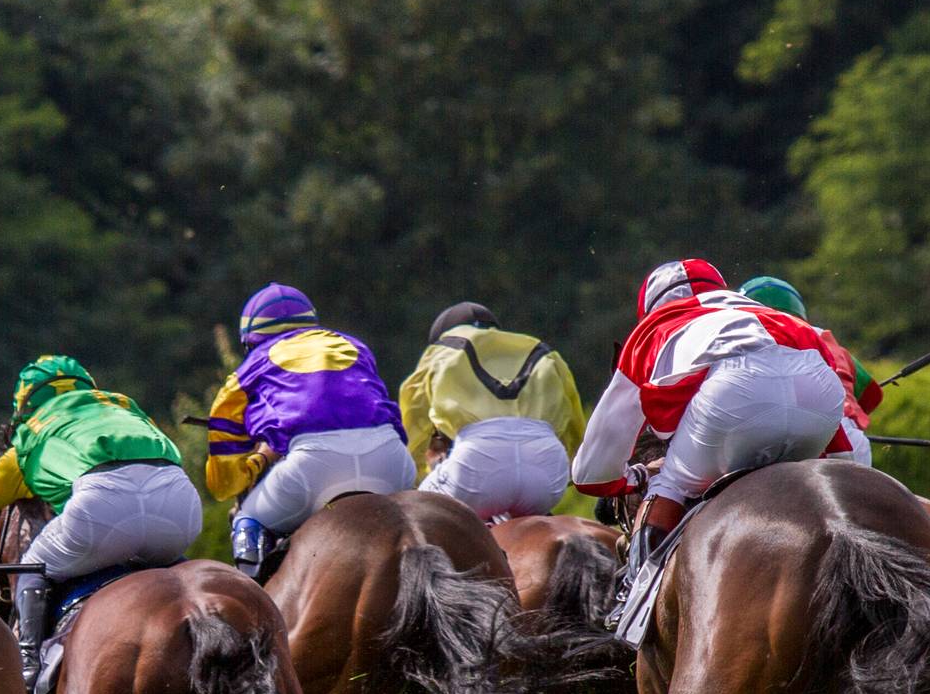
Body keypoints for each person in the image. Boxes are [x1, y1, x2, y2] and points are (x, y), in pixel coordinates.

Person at [572, 260, 850, 622]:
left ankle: (636, 605)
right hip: (819, 399)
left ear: (648, 309)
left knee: (670, 484)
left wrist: (636, 478)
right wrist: (845, 473)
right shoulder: (770, 315)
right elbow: (842, 446)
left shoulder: (653, 328)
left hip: (736, 397)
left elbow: (591, 472)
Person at [0, 356, 198, 694]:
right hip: (181, 502)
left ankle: (28, 665)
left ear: (25, 404)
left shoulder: (31, 433)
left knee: (33, 565)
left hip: (102, 508)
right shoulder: (125, 408)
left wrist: (32, 479)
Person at [205, 283, 415, 577]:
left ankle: (253, 605)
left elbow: (223, 484)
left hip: (313, 471)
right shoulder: (354, 346)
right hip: (392, 461)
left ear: (251, 341)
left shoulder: (249, 368)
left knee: (248, 518)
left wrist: (256, 462)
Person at [397, 302, 588, 522]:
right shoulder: (543, 351)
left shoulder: (442, 350)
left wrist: (416, 478)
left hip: (477, 462)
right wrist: (568, 472)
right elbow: (574, 426)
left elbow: (415, 424)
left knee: (419, 513)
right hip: (546, 467)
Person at [737, 275, 885, 466]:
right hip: (853, 445)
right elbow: (872, 397)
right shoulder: (827, 339)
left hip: (789, 444)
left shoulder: (745, 337)